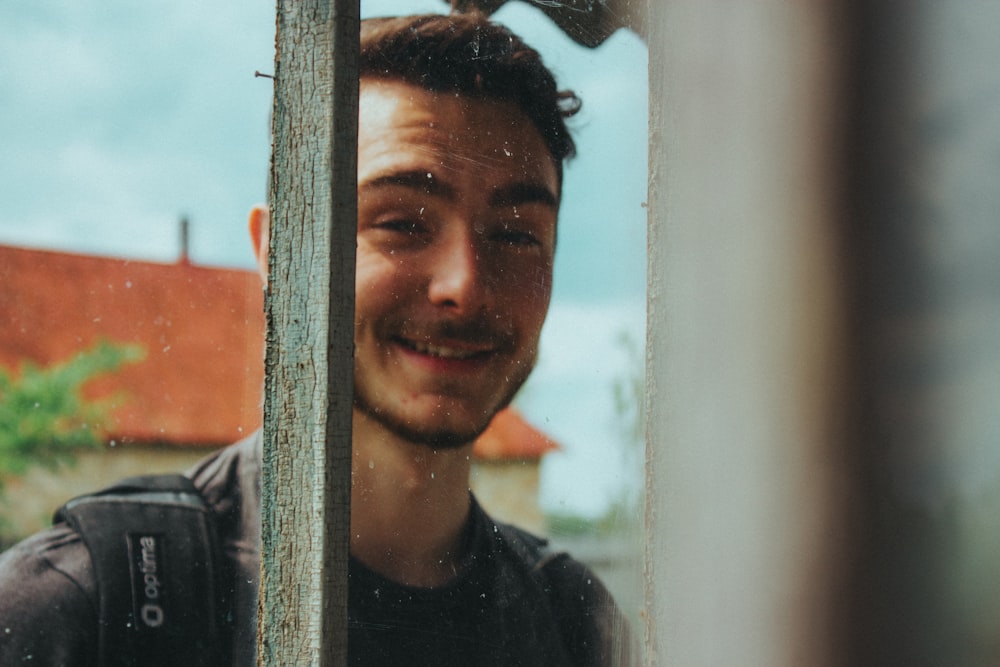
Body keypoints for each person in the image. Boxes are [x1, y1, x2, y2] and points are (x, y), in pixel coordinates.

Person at [0, 12, 631, 666]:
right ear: (278, 252)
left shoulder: (575, 622)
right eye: (402, 222)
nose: (464, 285)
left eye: (517, 234)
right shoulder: (91, 603)